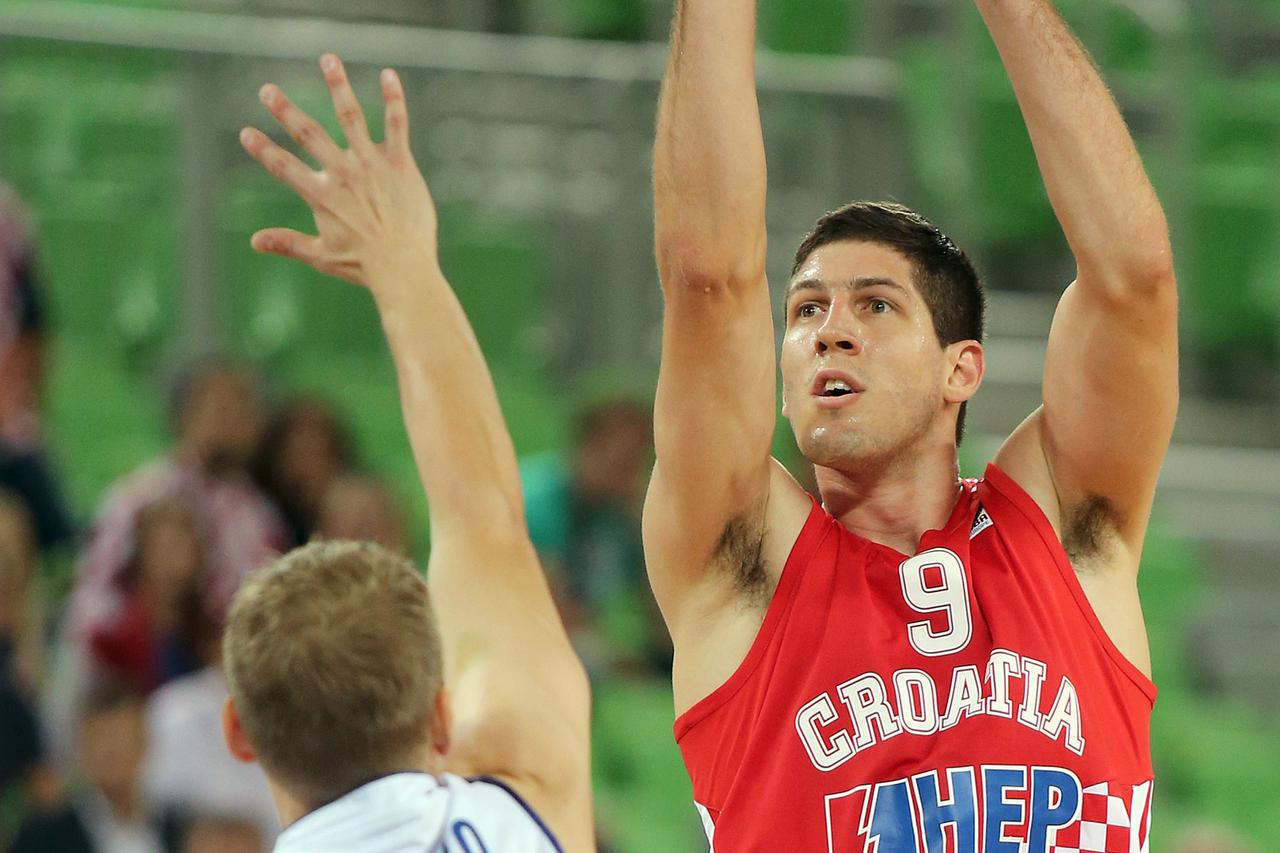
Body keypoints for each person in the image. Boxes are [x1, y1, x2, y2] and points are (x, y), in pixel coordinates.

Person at [649, 0, 1177, 849]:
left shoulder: (1065, 533)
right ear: (781, 383)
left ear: (959, 368)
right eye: (807, 309)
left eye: (876, 304)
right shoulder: (742, 559)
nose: (831, 328)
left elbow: (1134, 279)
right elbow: (708, 274)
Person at [224, 54, 592, 851]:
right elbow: (482, 519)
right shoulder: (524, 797)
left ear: (239, 730)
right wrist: (403, 268)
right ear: (441, 712)